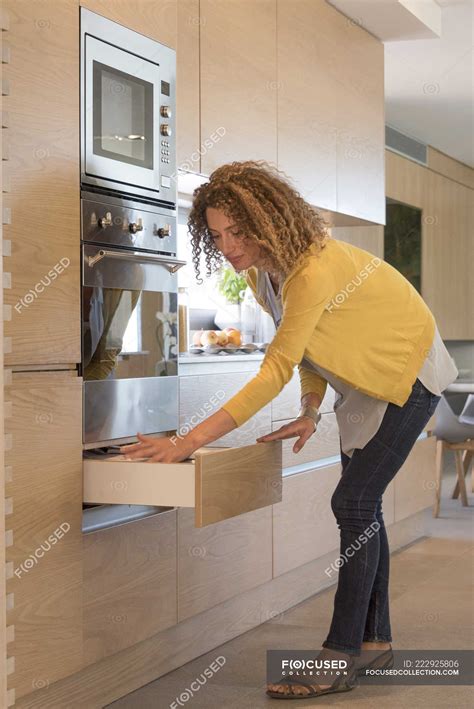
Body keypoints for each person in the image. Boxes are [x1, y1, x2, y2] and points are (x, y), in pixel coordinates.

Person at [120, 160, 458, 700]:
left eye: (238, 232)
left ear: (270, 221)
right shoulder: (264, 275)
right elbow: (305, 354)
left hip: (409, 375)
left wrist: (187, 442)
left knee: (353, 505)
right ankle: (375, 641)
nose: (229, 246)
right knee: (361, 507)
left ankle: (338, 654)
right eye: (217, 234)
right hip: (362, 384)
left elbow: (273, 365)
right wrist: (309, 406)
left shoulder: (313, 268)